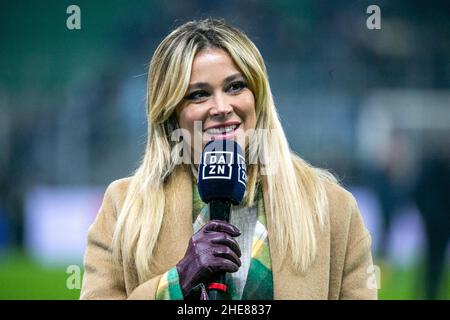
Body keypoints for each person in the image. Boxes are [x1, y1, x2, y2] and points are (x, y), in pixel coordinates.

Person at [80, 18, 377, 300]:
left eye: (236, 86)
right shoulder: (124, 207)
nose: (221, 107)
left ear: (258, 96)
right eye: (198, 94)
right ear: (170, 113)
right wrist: (178, 280)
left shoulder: (333, 208)